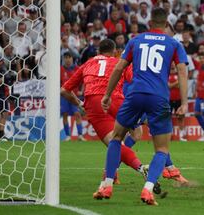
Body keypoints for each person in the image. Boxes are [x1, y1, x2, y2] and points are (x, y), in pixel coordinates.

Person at [99, 9, 188, 206]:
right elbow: (182, 71)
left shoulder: (136, 40)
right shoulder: (174, 43)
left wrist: (107, 94)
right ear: (166, 24)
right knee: (162, 149)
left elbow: (119, 68)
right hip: (158, 97)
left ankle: (106, 184)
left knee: (116, 137)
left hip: (135, 96)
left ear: (149, 21)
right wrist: (184, 102)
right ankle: (148, 190)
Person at [60, 39, 154, 197]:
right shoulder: (119, 62)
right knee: (136, 133)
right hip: (116, 100)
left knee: (114, 142)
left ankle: (131, 170)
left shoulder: (88, 63)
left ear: (98, 52)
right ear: (115, 51)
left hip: (94, 102)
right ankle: (114, 176)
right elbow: (136, 80)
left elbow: (64, 90)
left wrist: (79, 103)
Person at [60, 52, 85, 141]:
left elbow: (83, 81)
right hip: (64, 96)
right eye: (65, 57)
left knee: (77, 114)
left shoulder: (77, 69)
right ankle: (68, 136)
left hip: (74, 97)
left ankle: (80, 135)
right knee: (65, 115)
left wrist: (81, 91)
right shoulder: (60, 69)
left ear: (72, 58)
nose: (67, 59)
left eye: (69, 57)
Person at [168, 63, 186, 141]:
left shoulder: (178, 74)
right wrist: (177, 83)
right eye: (171, 64)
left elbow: (180, 85)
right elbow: (168, 86)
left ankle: (181, 136)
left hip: (178, 98)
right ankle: (169, 135)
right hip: (169, 99)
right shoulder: (166, 75)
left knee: (180, 117)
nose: (172, 65)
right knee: (168, 118)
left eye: (173, 64)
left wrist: (172, 85)